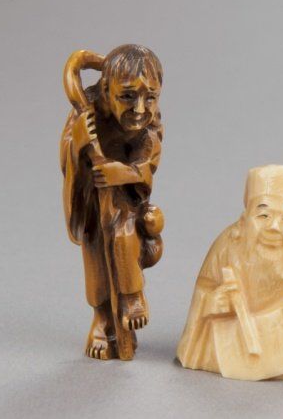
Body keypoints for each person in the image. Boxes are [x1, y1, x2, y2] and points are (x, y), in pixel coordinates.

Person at [177, 165, 283, 380]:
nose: (273, 226)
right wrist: (211, 302)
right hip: (232, 340)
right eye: (263, 215)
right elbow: (205, 287)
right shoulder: (228, 244)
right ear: (244, 220)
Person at [60, 44, 164, 359]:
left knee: (125, 232)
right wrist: (79, 143)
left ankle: (132, 296)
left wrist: (125, 173)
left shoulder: (150, 121)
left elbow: (149, 159)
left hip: (126, 200)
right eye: (128, 96)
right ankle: (102, 319)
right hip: (92, 198)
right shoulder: (86, 113)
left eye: (150, 97)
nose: (140, 108)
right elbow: (68, 159)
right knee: (94, 255)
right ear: (106, 90)